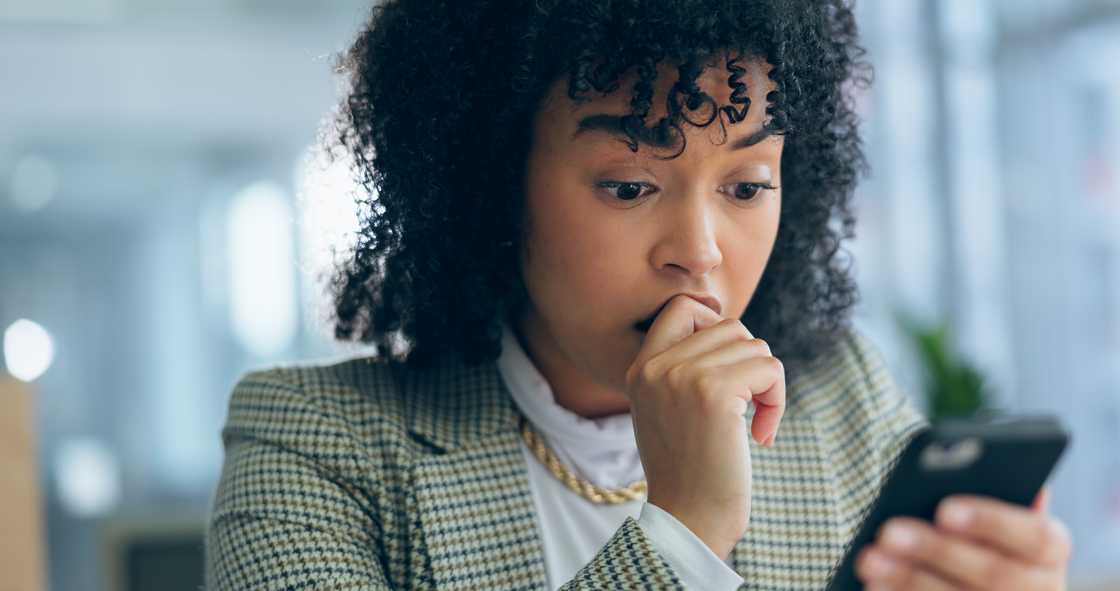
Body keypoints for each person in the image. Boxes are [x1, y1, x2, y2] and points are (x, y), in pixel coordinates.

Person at [205, 1, 1073, 589]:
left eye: (746, 186)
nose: (699, 255)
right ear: (490, 188)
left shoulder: (844, 401)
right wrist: (681, 533)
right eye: (628, 185)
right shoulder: (310, 442)